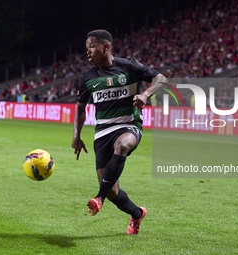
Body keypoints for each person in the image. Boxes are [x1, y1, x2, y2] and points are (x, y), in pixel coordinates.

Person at [71, 29, 167, 235]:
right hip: (102, 133)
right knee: (113, 191)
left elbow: (161, 78)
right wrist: (76, 136)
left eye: (92, 46)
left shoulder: (128, 66)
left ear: (105, 47)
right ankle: (137, 213)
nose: (88, 52)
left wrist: (146, 93)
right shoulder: (88, 77)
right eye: (86, 48)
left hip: (128, 125)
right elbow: (80, 107)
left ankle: (99, 198)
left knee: (122, 145)